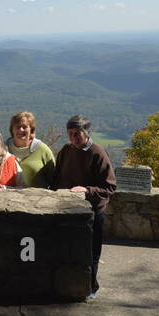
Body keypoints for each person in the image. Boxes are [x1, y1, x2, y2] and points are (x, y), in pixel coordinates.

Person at [49, 114, 117, 299]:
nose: (73, 138)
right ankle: (68, 287)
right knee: (68, 251)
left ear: (86, 133)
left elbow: (109, 187)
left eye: (77, 133)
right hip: (66, 209)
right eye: (70, 133)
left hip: (93, 213)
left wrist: (86, 191)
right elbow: (57, 178)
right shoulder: (66, 151)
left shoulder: (98, 153)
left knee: (90, 253)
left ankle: (91, 288)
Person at [6, 111, 56, 188]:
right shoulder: (4, 149)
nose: (21, 130)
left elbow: (54, 178)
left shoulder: (42, 149)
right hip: (7, 197)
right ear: (12, 129)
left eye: (25, 127)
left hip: (37, 198)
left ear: (31, 129)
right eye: (17, 126)